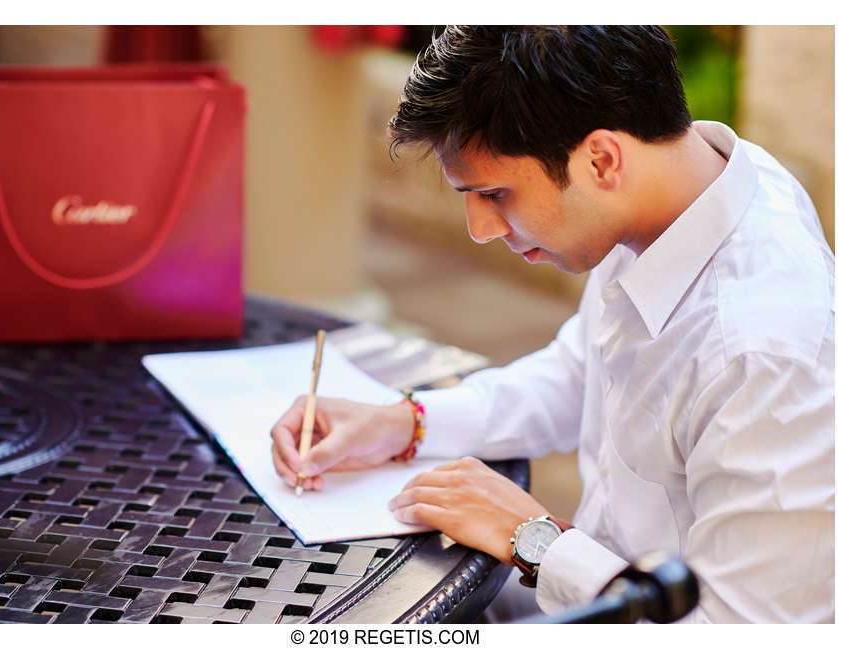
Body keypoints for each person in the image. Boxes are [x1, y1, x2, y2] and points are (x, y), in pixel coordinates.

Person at [270, 25, 834, 623]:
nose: (480, 229)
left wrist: (534, 539)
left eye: (494, 193)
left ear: (601, 159)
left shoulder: (765, 354)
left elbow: (740, 629)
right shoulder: (687, 192)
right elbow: (582, 370)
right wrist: (405, 422)